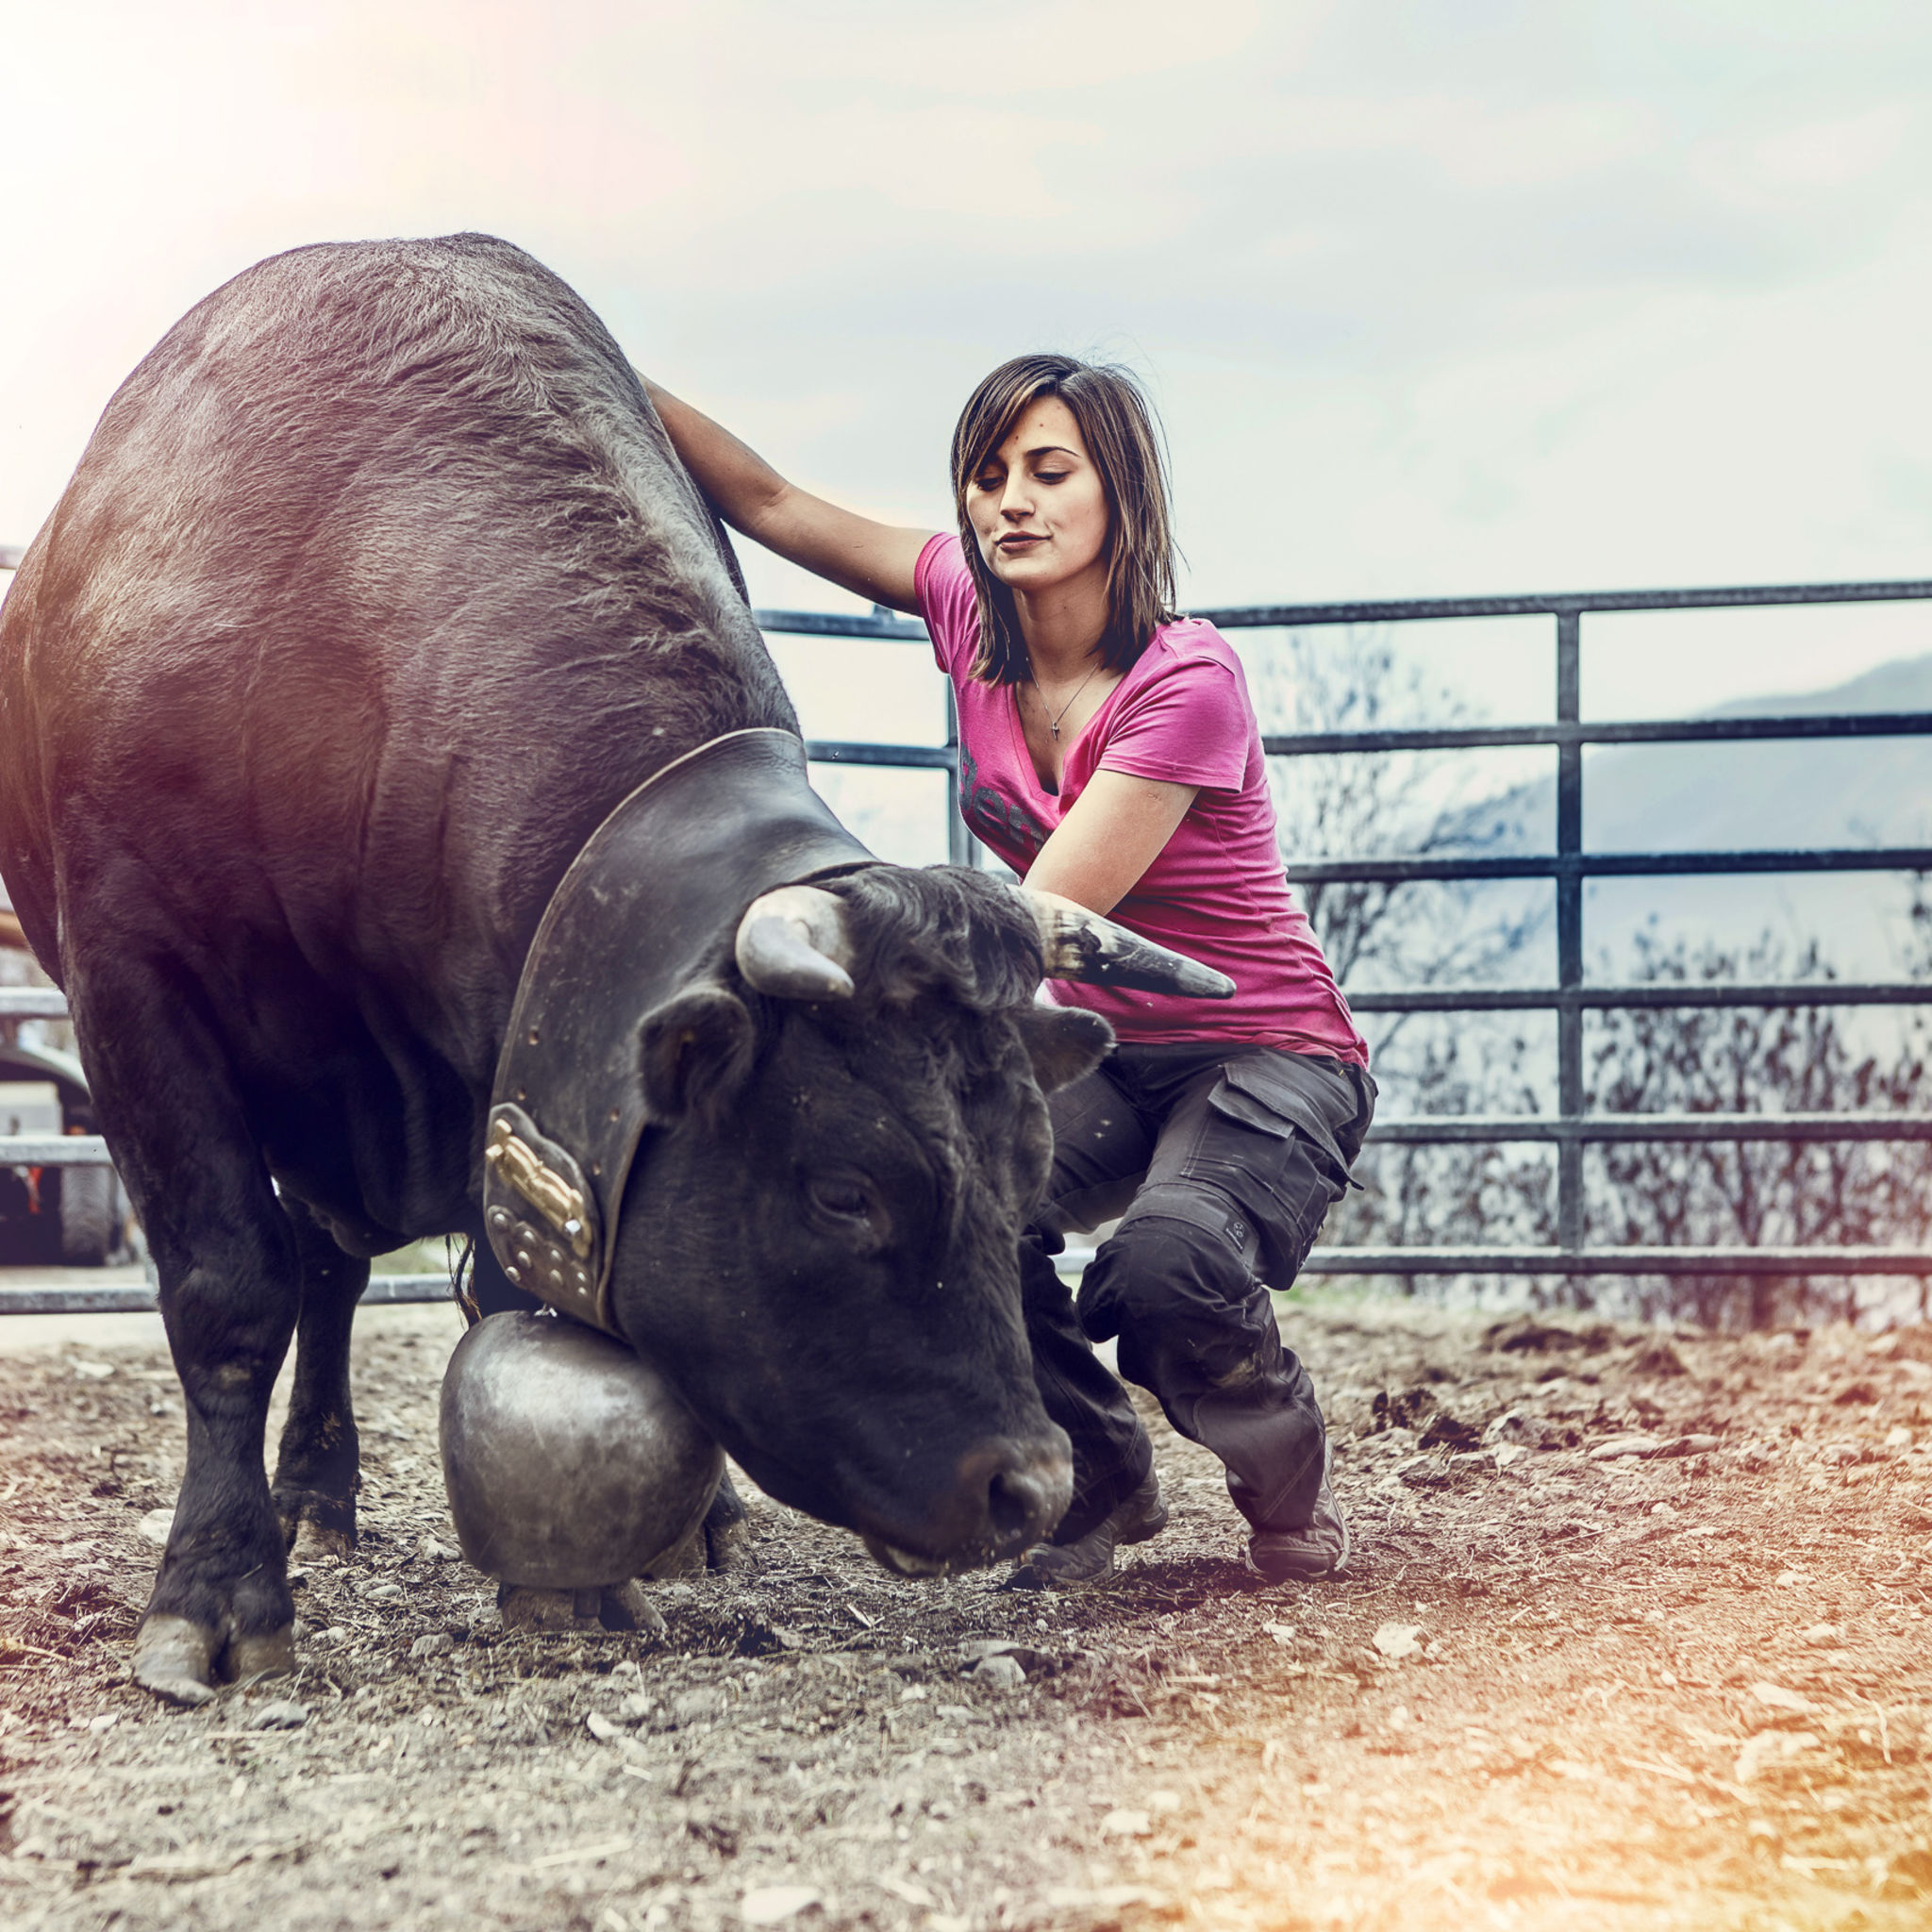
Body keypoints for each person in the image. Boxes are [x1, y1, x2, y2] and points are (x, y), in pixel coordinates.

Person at [645, 354, 1374, 1587]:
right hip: (1106, 1049)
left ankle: (1286, 1489)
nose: (1009, 505)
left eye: (1049, 473)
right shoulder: (968, 613)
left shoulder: (1185, 684)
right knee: (951, 1209)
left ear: (1121, 499)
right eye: (989, 477)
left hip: (1267, 1051)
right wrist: (598, 362)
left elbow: (1040, 914)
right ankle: (1100, 1471)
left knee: (1166, 1265)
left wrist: (845, 921)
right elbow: (768, 504)